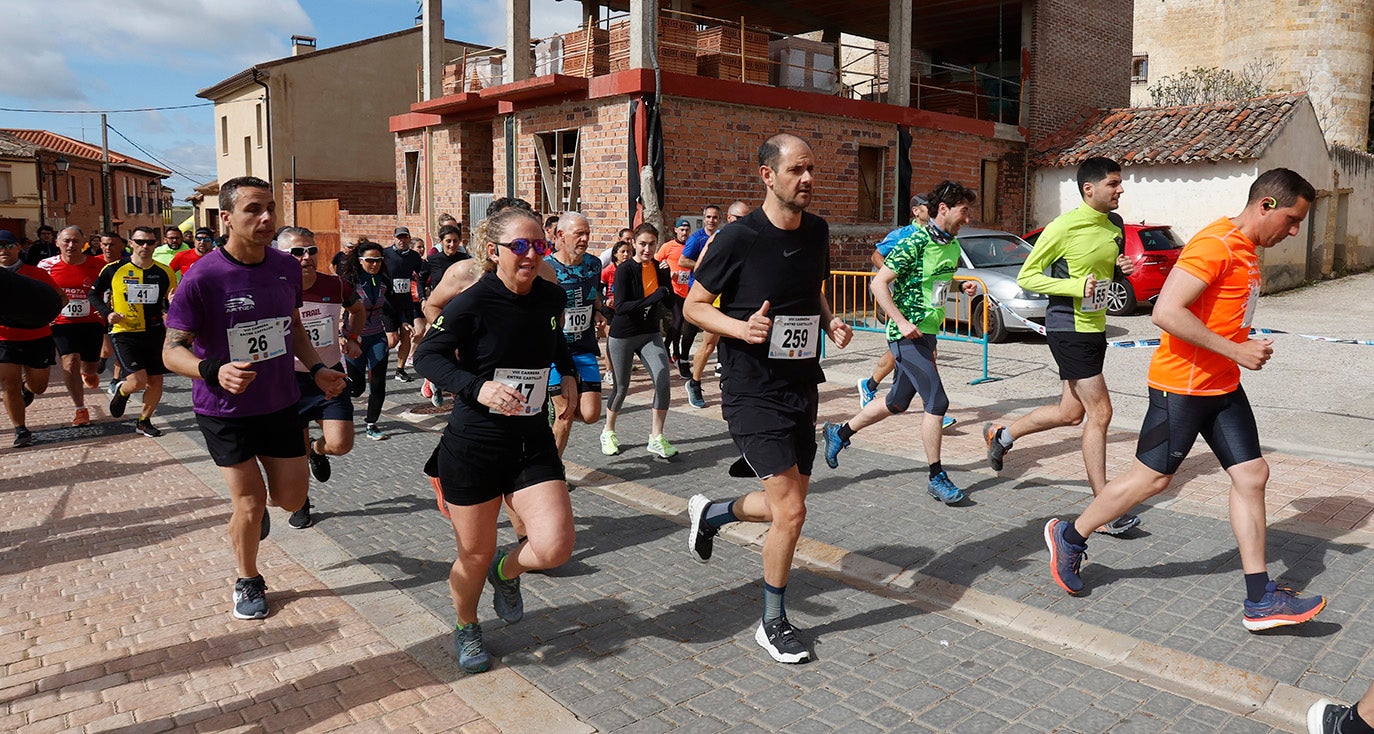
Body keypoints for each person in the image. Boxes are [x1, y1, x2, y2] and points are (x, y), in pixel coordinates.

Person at [1043, 168, 1327, 632]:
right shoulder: (1214, 244)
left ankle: (1260, 598)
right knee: (1151, 482)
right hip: (1183, 387)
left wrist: (1236, 349)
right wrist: (1237, 348)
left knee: (1253, 474)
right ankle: (1070, 535)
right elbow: (1166, 311)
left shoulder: (1246, 249)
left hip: (1223, 385)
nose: (1294, 231)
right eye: (1292, 219)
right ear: (1267, 206)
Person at [683, 133, 852, 664]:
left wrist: (830, 319)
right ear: (767, 176)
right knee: (794, 511)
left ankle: (711, 513)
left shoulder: (818, 230)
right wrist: (738, 327)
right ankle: (772, 621)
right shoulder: (738, 237)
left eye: (811, 170)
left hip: (802, 383)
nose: (807, 179)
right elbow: (694, 306)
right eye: (797, 170)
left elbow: (812, 287)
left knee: (786, 506)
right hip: (752, 388)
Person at [162, 176, 346, 620]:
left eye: (270, 208)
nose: (266, 218)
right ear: (226, 217)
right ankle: (248, 578)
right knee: (247, 502)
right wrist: (213, 369)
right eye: (252, 209)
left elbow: (294, 327)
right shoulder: (203, 276)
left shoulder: (285, 266)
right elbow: (171, 350)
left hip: (281, 402)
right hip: (225, 410)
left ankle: (260, 512)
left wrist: (319, 368)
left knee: (289, 498)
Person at [412, 207, 578, 674]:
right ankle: (466, 624)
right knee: (474, 552)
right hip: (474, 445)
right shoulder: (472, 301)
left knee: (554, 547)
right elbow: (429, 356)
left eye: (538, 246)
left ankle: (506, 573)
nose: (531, 255)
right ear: (494, 251)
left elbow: (552, 339)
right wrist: (476, 386)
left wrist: (565, 370)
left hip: (530, 437)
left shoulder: (550, 296)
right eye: (520, 247)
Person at [984, 157, 1141, 534]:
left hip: (1095, 325)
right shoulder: (1063, 227)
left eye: (1120, 184)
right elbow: (1029, 275)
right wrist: (1074, 287)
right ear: (1089, 189)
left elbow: (1103, 270)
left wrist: (1120, 269)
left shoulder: (1114, 225)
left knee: (1071, 413)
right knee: (1100, 413)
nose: (1120, 190)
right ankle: (1104, 510)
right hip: (1067, 327)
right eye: (1113, 184)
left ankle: (1002, 435)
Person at [820, 181, 980, 504]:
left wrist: (961, 289)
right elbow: (878, 286)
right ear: (944, 210)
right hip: (906, 336)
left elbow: (935, 282)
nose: (968, 219)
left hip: (927, 333)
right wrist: (902, 322)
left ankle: (839, 432)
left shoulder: (950, 246)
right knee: (937, 402)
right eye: (964, 212)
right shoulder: (914, 241)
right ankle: (936, 477)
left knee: (896, 402)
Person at [277, 227, 365, 529]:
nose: (306, 257)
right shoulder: (274, 288)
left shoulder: (335, 284)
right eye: (297, 252)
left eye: (311, 250)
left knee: (341, 444)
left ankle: (318, 450)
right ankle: (301, 505)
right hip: (290, 380)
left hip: (330, 375)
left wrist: (352, 336)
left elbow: (358, 309)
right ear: (279, 255)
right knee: (294, 453)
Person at [91, 226, 177, 437]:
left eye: (149, 242)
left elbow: (169, 304)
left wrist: (174, 304)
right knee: (138, 381)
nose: (145, 246)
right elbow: (93, 294)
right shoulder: (113, 269)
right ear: (131, 243)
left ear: (156, 244)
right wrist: (107, 313)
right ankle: (122, 390)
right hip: (124, 332)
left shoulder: (164, 272)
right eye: (140, 242)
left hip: (154, 332)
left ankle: (143, 421)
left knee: (156, 381)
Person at [601, 223, 677, 459]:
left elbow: (668, 303)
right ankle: (608, 431)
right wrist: (655, 296)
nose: (647, 249)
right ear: (633, 243)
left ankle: (656, 437)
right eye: (642, 244)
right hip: (623, 335)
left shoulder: (657, 267)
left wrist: (666, 281)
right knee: (622, 387)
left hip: (649, 333)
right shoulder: (625, 270)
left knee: (663, 379)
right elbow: (622, 307)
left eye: (652, 244)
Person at [856, 193, 929, 408]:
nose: (932, 210)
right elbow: (876, 256)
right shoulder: (902, 235)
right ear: (916, 211)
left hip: (926, 304)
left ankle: (870, 385)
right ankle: (934, 408)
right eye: (928, 207)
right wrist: (891, 274)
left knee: (903, 353)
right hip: (905, 302)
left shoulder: (935, 235)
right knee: (923, 352)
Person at [545, 212, 605, 457]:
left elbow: (595, 296)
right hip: (556, 352)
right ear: (561, 235)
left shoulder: (594, 264)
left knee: (590, 415)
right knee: (566, 414)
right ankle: (553, 468)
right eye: (579, 233)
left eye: (587, 233)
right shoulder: (546, 268)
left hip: (584, 347)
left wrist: (599, 313)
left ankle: (551, 412)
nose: (585, 239)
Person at [0, 229, 65, 447]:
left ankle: (27, 390)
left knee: (39, 386)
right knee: (9, 383)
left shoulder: (36, 273)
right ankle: (20, 429)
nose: (3, 250)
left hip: (37, 336)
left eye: (8, 245)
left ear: (18, 247)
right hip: (4, 339)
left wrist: (43, 316)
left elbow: (60, 298)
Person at [683, 201, 750, 408]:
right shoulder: (717, 239)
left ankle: (737, 386)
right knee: (710, 343)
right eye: (739, 218)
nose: (743, 223)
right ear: (729, 219)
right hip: (717, 297)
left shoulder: (751, 239)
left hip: (739, 298)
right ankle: (694, 382)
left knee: (743, 342)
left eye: (747, 218)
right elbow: (700, 267)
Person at [38, 226, 106, 426]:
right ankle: (80, 409)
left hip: (92, 322)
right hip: (61, 323)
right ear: (57, 243)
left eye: (75, 241)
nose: (70, 245)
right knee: (70, 362)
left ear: (83, 244)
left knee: (90, 365)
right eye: (66, 241)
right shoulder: (45, 265)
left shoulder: (99, 265)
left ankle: (90, 372)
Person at [343, 241, 395, 441]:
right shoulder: (349, 282)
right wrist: (341, 335)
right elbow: (339, 311)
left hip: (377, 336)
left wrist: (398, 326)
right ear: (360, 260)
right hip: (354, 338)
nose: (374, 265)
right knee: (357, 388)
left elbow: (391, 307)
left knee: (378, 382)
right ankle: (338, 410)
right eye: (370, 261)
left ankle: (371, 423)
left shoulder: (383, 281)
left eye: (378, 260)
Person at [417, 224, 472, 406]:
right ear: (441, 242)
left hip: (460, 309)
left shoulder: (465, 260)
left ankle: (449, 386)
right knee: (443, 347)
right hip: (439, 309)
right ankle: (435, 381)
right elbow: (420, 279)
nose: (452, 245)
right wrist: (424, 299)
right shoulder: (433, 260)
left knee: (458, 351)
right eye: (448, 241)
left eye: (455, 241)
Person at [675, 205, 722, 378]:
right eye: (708, 217)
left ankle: (720, 362)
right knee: (692, 325)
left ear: (720, 220)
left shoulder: (721, 237)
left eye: (715, 217)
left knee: (717, 323)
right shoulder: (696, 238)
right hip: (697, 286)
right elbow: (682, 261)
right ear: (704, 219)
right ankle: (683, 358)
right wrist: (702, 266)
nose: (711, 220)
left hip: (717, 287)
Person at [383, 226, 425, 382]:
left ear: (409, 238)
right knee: (392, 340)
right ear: (394, 238)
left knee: (406, 336)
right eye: (399, 237)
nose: (402, 240)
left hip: (406, 302)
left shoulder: (414, 257)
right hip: (388, 303)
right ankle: (374, 358)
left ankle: (399, 370)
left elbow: (421, 276)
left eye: (405, 237)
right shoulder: (385, 254)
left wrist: (423, 294)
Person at [656, 217, 694, 366]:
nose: (684, 232)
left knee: (681, 322)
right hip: (673, 290)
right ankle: (667, 348)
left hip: (687, 289)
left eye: (687, 230)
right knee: (677, 320)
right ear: (675, 230)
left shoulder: (691, 245)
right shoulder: (668, 246)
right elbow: (656, 262)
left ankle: (676, 353)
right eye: (682, 229)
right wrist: (667, 271)